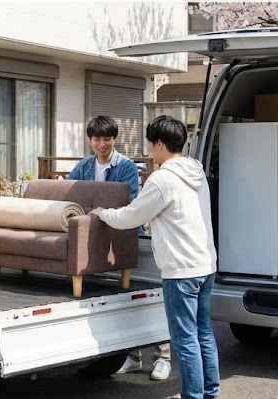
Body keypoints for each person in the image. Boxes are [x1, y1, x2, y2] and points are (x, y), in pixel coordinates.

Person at [91, 116, 219, 399]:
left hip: (181, 270)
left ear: (160, 143)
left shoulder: (162, 179)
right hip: (205, 264)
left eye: (150, 143)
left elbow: (131, 216)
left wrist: (103, 214)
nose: (149, 149)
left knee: (185, 339)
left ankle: (194, 396)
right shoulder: (196, 171)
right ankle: (210, 393)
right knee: (204, 334)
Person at [66, 116, 171, 380]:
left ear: (114, 139)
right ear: (90, 140)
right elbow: (68, 191)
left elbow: (130, 202)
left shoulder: (126, 166)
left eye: (107, 139)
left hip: (126, 238)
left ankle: (163, 357)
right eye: (97, 139)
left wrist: (99, 211)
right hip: (97, 239)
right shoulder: (84, 165)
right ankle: (133, 357)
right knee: (121, 299)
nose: (102, 144)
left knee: (147, 296)